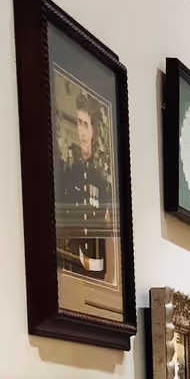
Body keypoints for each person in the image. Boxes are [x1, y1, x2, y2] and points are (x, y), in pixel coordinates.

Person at [57, 89, 112, 279]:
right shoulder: (71, 173)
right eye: (78, 123)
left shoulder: (101, 180)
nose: (81, 130)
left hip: (95, 265)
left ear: (92, 131)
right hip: (74, 260)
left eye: (85, 124)